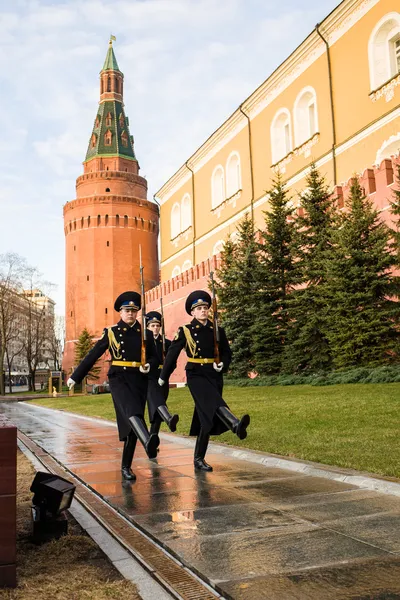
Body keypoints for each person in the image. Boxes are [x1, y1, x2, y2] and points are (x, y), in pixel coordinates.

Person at [67, 291, 159, 482]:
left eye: (134, 311)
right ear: (120, 312)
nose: (131, 314)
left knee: (133, 423)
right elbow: (94, 354)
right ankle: (148, 440)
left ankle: (126, 466)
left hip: (138, 380)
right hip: (119, 379)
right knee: (132, 411)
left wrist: (149, 364)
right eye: (127, 310)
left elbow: (156, 357)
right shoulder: (112, 333)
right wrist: (76, 376)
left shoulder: (146, 333)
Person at [158, 290, 250, 472]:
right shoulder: (186, 331)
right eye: (199, 308)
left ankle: (198, 459)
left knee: (205, 418)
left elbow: (226, 353)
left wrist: (222, 365)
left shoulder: (217, 330)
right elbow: (172, 354)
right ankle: (235, 424)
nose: (203, 311)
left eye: (205, 308)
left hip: (214, 375)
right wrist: (163, 376)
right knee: (214, 403)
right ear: (192, 312)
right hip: (196, 374)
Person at [145, 311, 179, 435]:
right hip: (149, 378)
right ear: (147, 327)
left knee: (157, 410)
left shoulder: (167, 343)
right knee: (158, 403)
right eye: (152, 325)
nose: (155, 328)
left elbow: (173, 363)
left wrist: (165, 375)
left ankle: (152, 440)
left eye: (157, 325)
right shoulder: (144, 343)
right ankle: (169, 418)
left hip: (162, 378)